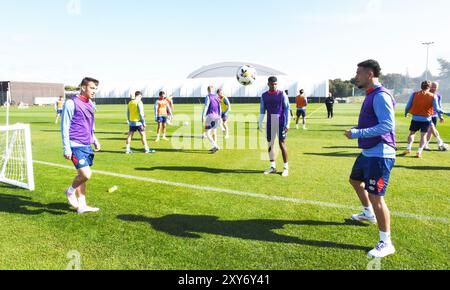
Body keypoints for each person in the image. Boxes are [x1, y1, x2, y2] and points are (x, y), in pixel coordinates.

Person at [345, 60, 397, 258]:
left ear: (369, 74)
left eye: (358, 72)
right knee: (355, 180)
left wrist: (358, 133)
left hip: (380, 154)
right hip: (369, 152)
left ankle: (386, 242)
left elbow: (387, 126)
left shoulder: (380, 95)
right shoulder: (371, 94)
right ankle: (368, 214)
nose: (355, 76)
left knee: (377, 197)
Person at [61, 77, 101, 214]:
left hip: (86, 144)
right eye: (92, 88)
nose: (94, 91)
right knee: (86, 174)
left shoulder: (91, 104)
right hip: (75, 145)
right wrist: (67, 147)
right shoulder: (71, 103)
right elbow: (64, 127)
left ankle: (82, 206)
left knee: (81, 176)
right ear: (83, 87)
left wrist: (94, 139)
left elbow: (90, 125)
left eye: (96, 88)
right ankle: (70, 191)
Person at [259, 76, 290, 177]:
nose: (274, 85)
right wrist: (259, 122)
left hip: (281, 122)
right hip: (270, 122)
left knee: (282, 144)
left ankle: (286, 168)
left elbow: (287, 109)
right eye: (272, 84)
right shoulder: (264, 96)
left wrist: (287, 124)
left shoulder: (282, 94)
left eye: (276, 84)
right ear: (268, 84)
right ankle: (273, 167)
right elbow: (262, 110)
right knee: (270, 144)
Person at [404, 81, 445, 158]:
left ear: (421, 86)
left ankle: (408, 149)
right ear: (429, 87)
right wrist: (443, 112)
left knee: (411, 133)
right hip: (426, 120)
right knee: (423, 136)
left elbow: (408, 106)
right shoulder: (433, 96)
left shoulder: (414, 94)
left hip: (415, 118)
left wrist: (406, 113)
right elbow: (437, 109)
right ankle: (419, 152)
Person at [425, 82, 449, 151]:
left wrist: (440, 116)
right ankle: (439, 142)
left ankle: (426, 144)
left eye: (435, 87)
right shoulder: (426, 94)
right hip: (427, 115)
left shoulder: (438, 96)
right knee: (430, 128)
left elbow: (439, 107)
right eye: (432, 86)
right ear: (429, 86)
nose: (433, 88)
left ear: (437, 87)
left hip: (434, 115)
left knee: (431, 130)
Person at [202, 86, 222, 153]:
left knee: (207, 133)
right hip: (217, 116)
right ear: (213, 90)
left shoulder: (208, 96)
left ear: (207, 90)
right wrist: (220, 117)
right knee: (214, 133)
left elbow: (206, 106)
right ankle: (214, 147)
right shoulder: (217, 97)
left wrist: (203, 116)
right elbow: (220, 108)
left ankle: (215, 146)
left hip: (210, 116)